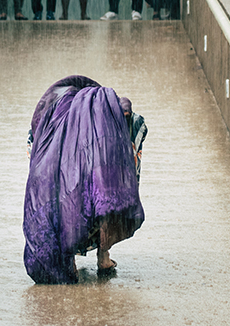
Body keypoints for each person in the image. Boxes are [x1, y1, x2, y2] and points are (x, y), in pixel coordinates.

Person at [23, 75, 146, 284]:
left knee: (69, 198)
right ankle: (103, 255)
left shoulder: (49, 117)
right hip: (97, 164)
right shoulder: (111, 120)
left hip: (62, 171)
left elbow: (34, 151)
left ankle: (71, 256)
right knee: (104, 191)